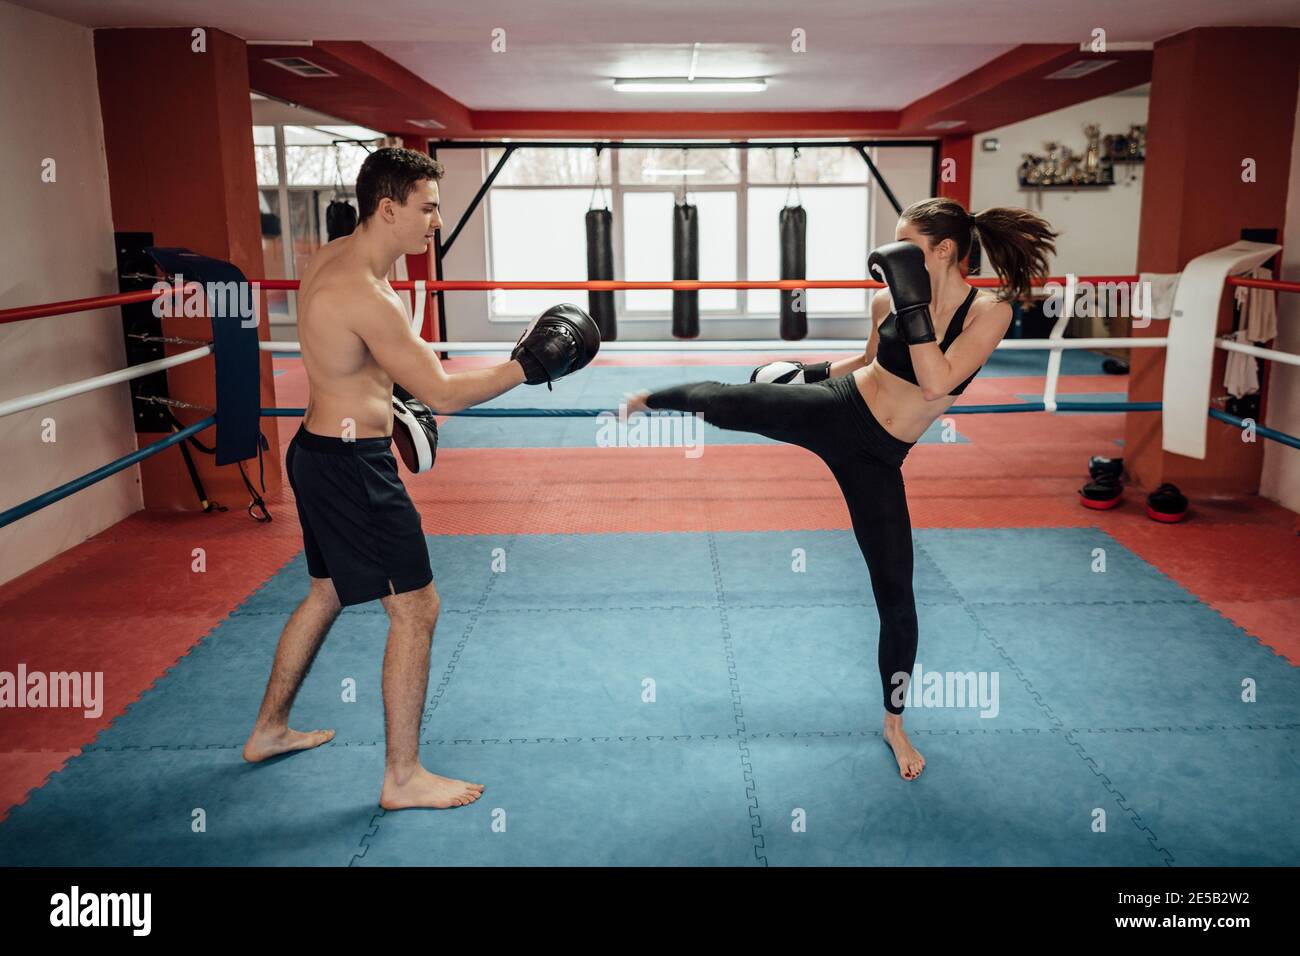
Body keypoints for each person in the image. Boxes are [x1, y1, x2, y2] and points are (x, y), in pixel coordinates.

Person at [627, 198, 1057, 780]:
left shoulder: (989, 313)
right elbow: (867, 363)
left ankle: (894, 725)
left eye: (907, 245)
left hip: (879, 457)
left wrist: (913, 302)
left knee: (896, 596)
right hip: (838, 406)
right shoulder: (886, 298)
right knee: (730, 400)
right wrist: (803, 374)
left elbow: (935, 385)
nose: (894, 255)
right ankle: (644, 399)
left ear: (944, 251)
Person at [242, 147, 598, 809]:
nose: (436, 219)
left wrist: (383, 397)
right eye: (428, 206)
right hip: (354, 470)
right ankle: (402, 777)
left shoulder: (333, 258)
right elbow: (442, 392)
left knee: (325, 592)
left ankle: (268, 729)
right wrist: (530, 364)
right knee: (417, 608)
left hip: (316, 452)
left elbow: (362, 367)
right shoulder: (368, 294)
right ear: (389, 208)